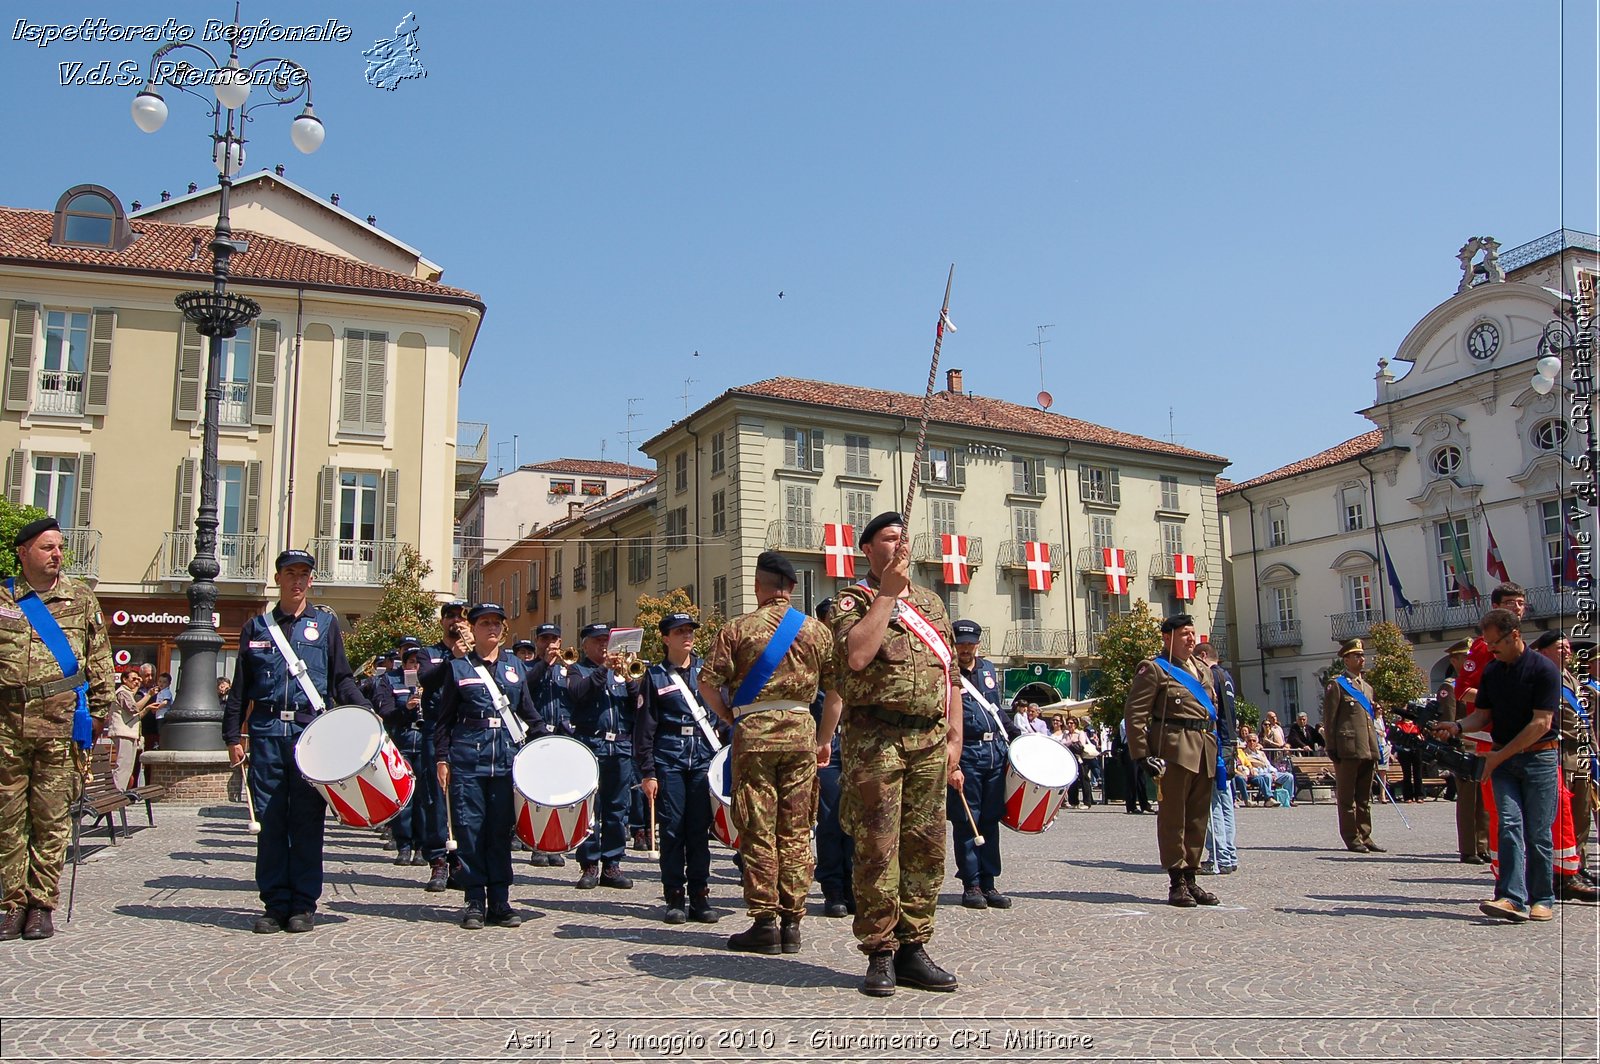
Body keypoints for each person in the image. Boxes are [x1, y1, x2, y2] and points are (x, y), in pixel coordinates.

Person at [832, 512, 961, 996]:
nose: (900, 544)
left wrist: (954, 738)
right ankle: (880, 952)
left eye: (905, 537)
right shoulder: (852, 601)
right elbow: (857, 656)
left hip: (929, 741)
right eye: (889, 537)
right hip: (876, 740)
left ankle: (914, 947)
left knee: (926, 850)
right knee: (877, 849)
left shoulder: (930, 603)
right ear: (868, 549)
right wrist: (886, 593)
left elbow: (950, 678)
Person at [222, 549, 365, 935]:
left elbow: (342, 679)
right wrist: (232, 734)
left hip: (310, 737)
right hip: (268, 733)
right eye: (290, 574)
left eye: (304, 574)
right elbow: (241, 687)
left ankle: (303, 903)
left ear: (311, 581)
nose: (297, 581)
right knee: (270, 822)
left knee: (306, 822)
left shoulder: (325, 624)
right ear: (278, 578)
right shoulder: (257, 628)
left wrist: (367, 713)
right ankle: (274, 902)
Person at [701, 552, 834, 956]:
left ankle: (764, 924)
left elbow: (707, 683)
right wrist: (824, 738)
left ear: (759, 586)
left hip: (754, 737)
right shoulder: (816, 631)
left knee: (758, 830)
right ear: (792, 588)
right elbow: (838, 692)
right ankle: (793, 923)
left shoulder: (738, 628)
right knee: (795, 830)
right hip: (800, 736)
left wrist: (729, 717)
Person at [0, 517, 115, 941]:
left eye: (60, 547)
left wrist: (99, 715)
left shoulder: (79, 598)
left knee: (50, 817)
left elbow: (100, 658)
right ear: (23, 552)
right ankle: (11, 904)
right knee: (8, 817)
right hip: (7, 723)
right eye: (48, 547)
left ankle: (41, 904)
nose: (57, 555)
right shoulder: (4, 596)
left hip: (60, 721)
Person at [1433, 608, 1562, 921]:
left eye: (1495, 645)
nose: (1490, 651)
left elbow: (1541, 723)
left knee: (1538, 831)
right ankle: (1510, 897)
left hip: (1539, 757)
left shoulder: (1544, 670)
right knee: (1508, 823)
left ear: (1515, 635)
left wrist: (1498, 756)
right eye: (1488, 645)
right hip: (1502, 757)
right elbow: (1483, 715)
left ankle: (1542, 898)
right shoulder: (1492, 672)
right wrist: (1459, 726)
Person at [434, 603, 546, 929]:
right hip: (469, 759)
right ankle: (473, 899)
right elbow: (443, 720)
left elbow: (529, 713)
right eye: (485, 623)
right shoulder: (458, 667)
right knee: (470, 830)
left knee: (499, 831)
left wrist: (552, 746)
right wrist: (442, 758)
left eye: (497, 623)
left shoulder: (515, 667)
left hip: (507, 761)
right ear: (473, 628)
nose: (492, 629)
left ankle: (499, 899)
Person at [1124, 613, 1221, 908]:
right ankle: (1176, 880)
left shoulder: (1203, 670)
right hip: (1175, 749)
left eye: (1193, 634)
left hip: (1204, 747)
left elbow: (1212, 711)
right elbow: (1136, 714)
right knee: (1173, 818)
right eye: (1184, 634)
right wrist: (1142, 755)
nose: (1190, 639)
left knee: (1197, 817)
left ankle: (1192, 875)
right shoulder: (1154, 669)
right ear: (1168, 638)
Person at [635, 611, 723, 925]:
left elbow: (721, 715)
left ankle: (700, 894)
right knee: (672, 829)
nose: (687, 636)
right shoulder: (655, 676)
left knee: (699, 830)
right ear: (665, 638)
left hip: (701, 759)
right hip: (669, 758)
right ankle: (674, 894)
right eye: (679, 631)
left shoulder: (706, 672)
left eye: (690, 630)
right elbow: (645, 728)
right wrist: (648, 772)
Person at [946, 619, 1021, 909]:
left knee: (990, 819)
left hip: (994, 751)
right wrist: (952, 761)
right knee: (967, 820)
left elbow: (995, 709)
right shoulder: (948, 672)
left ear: (978, 643)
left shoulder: (988, 670)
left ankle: (989, 881)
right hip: (967, 751)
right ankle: (971, 883)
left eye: (970, 643)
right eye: (961, 643)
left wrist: (1015, 734)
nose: (965, 648)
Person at [565, 622, 640, 890]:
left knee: (618, 808)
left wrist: (630, 680)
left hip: (619, 745)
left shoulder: (623, 672)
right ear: (585, 645)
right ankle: (589, 864)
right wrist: (603, 669)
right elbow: (578, 695)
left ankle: (612, 863)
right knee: (590, 810)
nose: (603, 646)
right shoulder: (577, 670)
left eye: (605, 641)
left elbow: (637, 704)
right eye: (597, 642)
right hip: (591, 742)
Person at [1530, 631, 1591, 895]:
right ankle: (1559, 872)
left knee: (1582, 813)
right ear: (1543, 651)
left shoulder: (1571, 679)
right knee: (1561, 816)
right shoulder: (1540, 678)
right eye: (1559, 647)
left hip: (1581, 753)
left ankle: (1578, 864)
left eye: (1567, 646)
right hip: (1559, 752)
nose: (1566, 650)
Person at [416, 602, 470, 890]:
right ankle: (437, 860)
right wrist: (452, 656)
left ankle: (460, 861)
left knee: (462, 798)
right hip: (435, 729)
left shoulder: (474, 654)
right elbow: (427, 679)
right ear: (442, 622)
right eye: (450, 617)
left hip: (464, 732)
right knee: (436, 797)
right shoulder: (431, 653)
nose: (456, 622)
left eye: (461, 618)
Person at [809, 599, 854, 918]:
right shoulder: (813, 662)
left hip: (859, 748)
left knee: (858, 823)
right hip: (827, 749)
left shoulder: (857, 654)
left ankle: (854, 885)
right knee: (829, 821)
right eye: (830, 620)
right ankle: (833, 888)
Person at [1322, 638, 1385, 854]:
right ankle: (1351, 837)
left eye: (1362, 655)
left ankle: (1365, 835)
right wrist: (1331, 746)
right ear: (1346, 659)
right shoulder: (1337, 685)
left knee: (1364, 797)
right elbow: (1330, 719)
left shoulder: (1367, 688)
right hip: (1347, 747)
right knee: (1347, 797)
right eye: (1356, 655)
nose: (1361, 659)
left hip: (1367, 746)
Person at [524, 622, 574, 868]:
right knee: (538, 794)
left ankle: (556, 844)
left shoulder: (567, 668)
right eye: (544, 639)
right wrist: (544, 663)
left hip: (563, 735)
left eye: (553, 639)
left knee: (561, 792)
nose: (549, 644)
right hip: (537, 734)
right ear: (537, 642)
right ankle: (537, 845)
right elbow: (526, 686)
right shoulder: (529, 667)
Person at [1194, 641, 1238, 875]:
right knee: (1225, 802)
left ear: (1202, 656)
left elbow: (1210, 710)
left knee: (1210, 802)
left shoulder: (1210, 675)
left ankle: (1217, 857)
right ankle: (1229, 854)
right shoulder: (1227, 675)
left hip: (1216, 742)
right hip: (1230, 741)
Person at [109, 668, 149, 794]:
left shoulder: (128, 693)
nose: (137, 682)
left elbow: (134, 716)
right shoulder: (122, 692)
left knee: (128, 766)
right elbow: (133, 709)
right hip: (123, 733)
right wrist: (149, 696)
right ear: (124, 680)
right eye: (134, 679)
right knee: (123, 765)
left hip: (129, 733)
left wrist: (147, 709)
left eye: (138, 679)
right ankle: (117, 793)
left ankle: (120, 792)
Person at [1115, 715, 1154, 815]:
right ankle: (1131, 806)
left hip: (1141, 748)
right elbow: (1132, 734)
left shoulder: (1142, 721)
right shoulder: (1125, 721)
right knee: (1132, 778)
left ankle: (1144, 804)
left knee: (1141, 778)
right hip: (1130, 748)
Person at [1062, 717, 1095, 808]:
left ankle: (1087, 802)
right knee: (1072, 781)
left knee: (1084, 779)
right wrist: (1071, 741)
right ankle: (1073, 802)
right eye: (1068, 723)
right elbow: (1062, 743)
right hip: (1070, 758)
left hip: (1080, 759)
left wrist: (1069, 743)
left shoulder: (1080, 733)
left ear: (1076, 724)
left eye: (1071, 723)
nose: (1069, 725)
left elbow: (1081, 745)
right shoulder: (1066, 734)